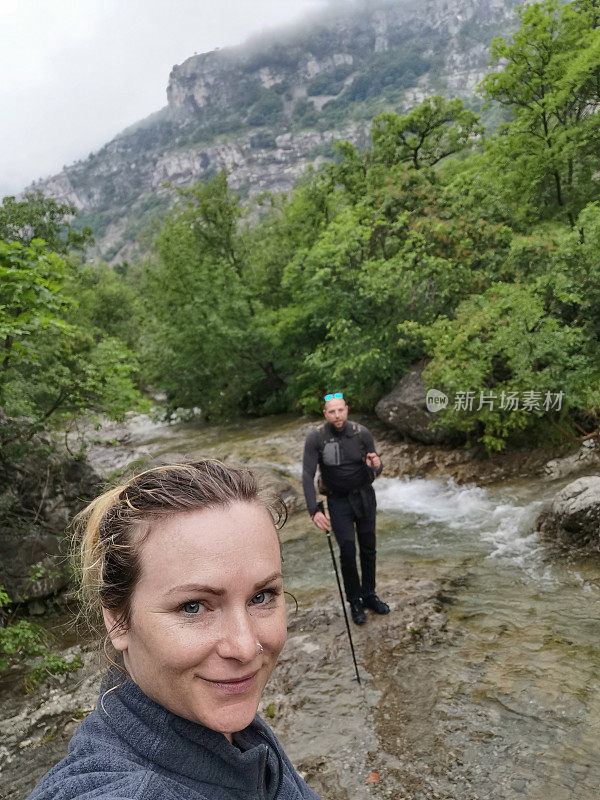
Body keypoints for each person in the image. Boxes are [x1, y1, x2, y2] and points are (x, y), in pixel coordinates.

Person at [27, 460, 320, 800]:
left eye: (261, 596)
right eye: (193, 606)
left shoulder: (232, 730)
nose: (244, 646)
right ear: (118, 619)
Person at [302, 393, 389, 625]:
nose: (337, 415)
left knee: (369, 547)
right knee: (348, 551)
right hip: (338, 501)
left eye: (340, 410)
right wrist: (314, 510)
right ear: (325, 414)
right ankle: (354, 601)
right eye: (332, 411)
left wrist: (378, 466)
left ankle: (369, 594)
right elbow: (307, 474)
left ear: (347, 410)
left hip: (364, 496)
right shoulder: (317, 437)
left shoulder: (362, 433)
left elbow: (375, 467)